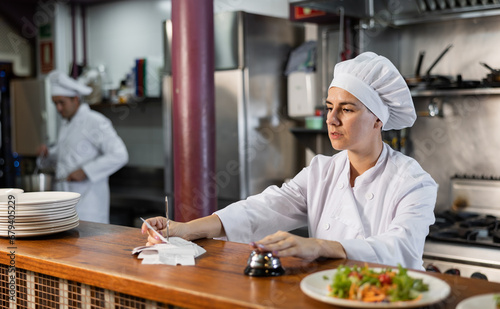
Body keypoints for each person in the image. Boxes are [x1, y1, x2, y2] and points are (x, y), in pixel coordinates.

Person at [142, 52, 437, 270]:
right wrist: (184, 228)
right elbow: (264, 208)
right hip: (327, 292)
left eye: (346, 109)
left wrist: (318, 245)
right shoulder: (323, 171)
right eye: (329, 107)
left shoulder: (412, 181)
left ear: (377, 119)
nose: (331, 120)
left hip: (389, 298)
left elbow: (400, 247)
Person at [38, 70, 128, 224]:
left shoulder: (95, 121)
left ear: (75, 99)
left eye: (62, 102)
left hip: (88, 207)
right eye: (55, 103)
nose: (58, 108)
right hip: (65, 205)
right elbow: (67, 157)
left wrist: (86, 171)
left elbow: (120, 155)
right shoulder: (66, 124)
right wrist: (47, 155)